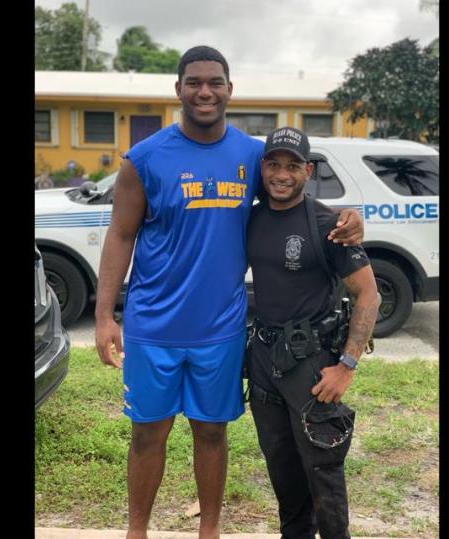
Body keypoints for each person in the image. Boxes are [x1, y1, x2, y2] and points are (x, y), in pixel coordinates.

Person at [93, 46, 364, 539]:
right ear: (178, 90)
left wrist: (347, 218)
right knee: (148, 434)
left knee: (211, 433)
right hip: (153, 327)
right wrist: (105, 313)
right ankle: (136, 531)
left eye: (214, 82)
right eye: (193, 82)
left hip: (221, 330)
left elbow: (290, 193)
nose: (204, 91)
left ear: (229, 90)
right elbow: (120, 235)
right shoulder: (145, 159)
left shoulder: (249, 155)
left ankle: (210, 531)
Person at [245, 126, 379, 539]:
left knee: (322, 470)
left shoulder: (329, 224)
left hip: (313, 366)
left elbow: (369, 296)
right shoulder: (249, 217)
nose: (281, 174)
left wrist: (347, 366)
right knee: (282, 468)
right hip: (265, 359)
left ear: (308, 170)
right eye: (273, 164)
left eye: (292, 166)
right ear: (262, 168)